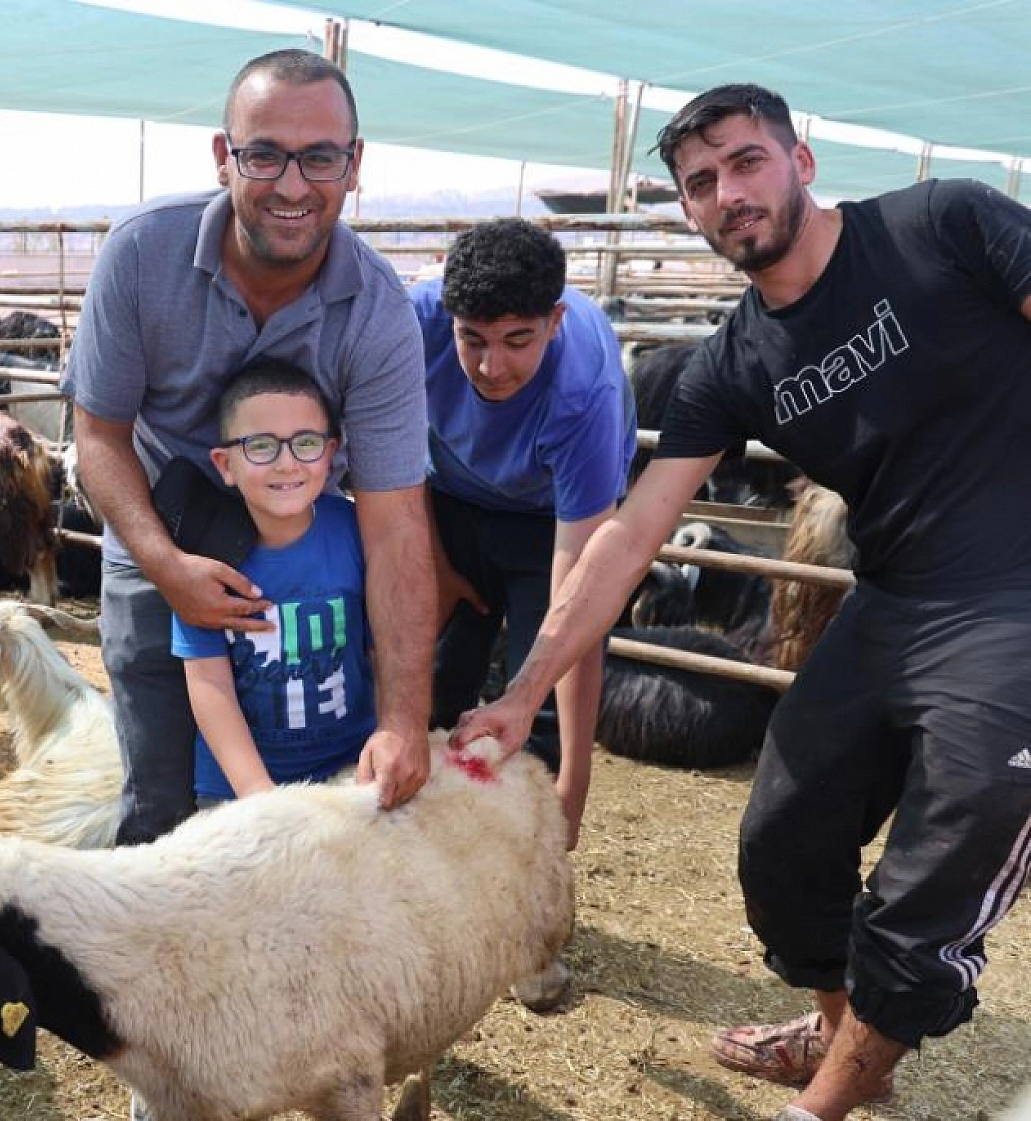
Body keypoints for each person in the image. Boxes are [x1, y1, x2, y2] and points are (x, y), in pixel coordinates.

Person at [459, 83, 1031, 1121]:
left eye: (744, 162)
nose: (727, 193)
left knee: (937, 867)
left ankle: (820, 1102)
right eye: (698, 184)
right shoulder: (731, 364)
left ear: (800, 160)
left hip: (1017, 600)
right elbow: (630, 532)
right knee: (780, 840)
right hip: (894, 593)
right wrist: (520, 690)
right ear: (685, 210)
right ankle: (839, 1029)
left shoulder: (941, 223)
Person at [63, 48, 435, 851]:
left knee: (335, 791)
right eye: (264, 154)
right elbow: (98, 433)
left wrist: (407, 718)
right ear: (222, 155)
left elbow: (397, 518)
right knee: (164, 798)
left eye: (321, 157)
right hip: (159, 531)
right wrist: (166, 566)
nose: (293, 186)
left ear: (354, 164)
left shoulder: (378, 313)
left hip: (310, 550)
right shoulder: (139, 254)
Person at [413, 219, 635, 853]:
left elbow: (580, 590)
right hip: (448, 498)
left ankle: (523, 856)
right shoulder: (412, 324)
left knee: (531, 704)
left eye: (518, 339)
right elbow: (389, 461)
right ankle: (421, 852)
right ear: (447, 318)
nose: (492, 366)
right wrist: (436, 563)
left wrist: (574, 788)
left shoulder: (584, 393)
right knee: (432, 679)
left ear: (555, 321)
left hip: (549, 521)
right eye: (472, 338)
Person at [172, 359, 374, 805]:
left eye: (305, 443)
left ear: (330, 452)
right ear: (225, 464)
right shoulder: (204, 556)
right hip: (238, 788)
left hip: (350, 771)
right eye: (261, 446)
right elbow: (209, 683)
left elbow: (382, 648)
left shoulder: (358, 530)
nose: (286, 463)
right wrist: (257, 796)